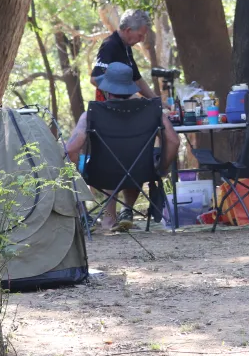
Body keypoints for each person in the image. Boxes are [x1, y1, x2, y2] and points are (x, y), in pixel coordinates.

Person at [67, 62, 181, 232]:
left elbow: (71, 149)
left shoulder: (92, 113)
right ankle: (123, 212)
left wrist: (77, 175)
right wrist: (161, 168)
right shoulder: (152, 111)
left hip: (100, 173)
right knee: (130, 161)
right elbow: (174, 141)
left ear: (107, 89)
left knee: (109, 162)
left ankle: (91, 214)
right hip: (141, 171)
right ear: (130, 88)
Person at [91, 10, 158, 102]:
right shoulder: (110, 45)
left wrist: (156, 101)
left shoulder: (127, 46)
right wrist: (126, 96)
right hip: (109, 110)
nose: (142, 40)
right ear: (128, 30)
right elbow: (95, 79)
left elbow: (137, 80)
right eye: (140, 35)